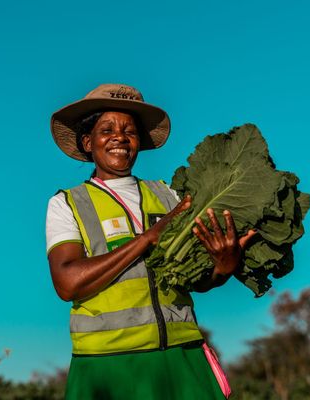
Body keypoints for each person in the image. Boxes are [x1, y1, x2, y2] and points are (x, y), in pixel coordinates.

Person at [46, 83, 256, 399]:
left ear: (139, 142)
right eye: (107, 130)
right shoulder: (67, 203)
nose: (119, 137)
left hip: (182, 353)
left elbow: (195, 280)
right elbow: (67, 283)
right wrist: (147, 239)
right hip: (107, 364)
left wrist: (223, 268)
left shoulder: (170, 196)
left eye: (129, 131)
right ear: (88, 142)